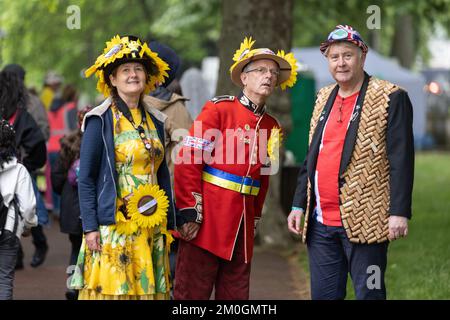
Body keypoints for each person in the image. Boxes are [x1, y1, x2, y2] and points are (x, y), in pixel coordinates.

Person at [287, 25, 414, 300]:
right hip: (320, 224)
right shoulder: (322, 97)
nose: (341, 63)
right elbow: (312, 156)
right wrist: (299, 203)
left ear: (362, 57)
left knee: (370, 294)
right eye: (334, 57)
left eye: (348, 55)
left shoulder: (391, 97)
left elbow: (401, 159)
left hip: (367, 220)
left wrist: (399, 211)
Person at [173, 37, 298, 300]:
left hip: (242, 226)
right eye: (261, 71)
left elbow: (263, 179)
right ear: (244, 77)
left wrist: (254, 220)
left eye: (274, 73)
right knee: (192, 294)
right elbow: (188, 159)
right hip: (207, 220)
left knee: (236, 296)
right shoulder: (218, 109)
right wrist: (189, 211)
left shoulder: (272, 126)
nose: (269, 77)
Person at [69, 35, 178, 300]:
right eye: (125, 70)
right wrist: (91, 227)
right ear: (112, 79)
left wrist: (172, 221)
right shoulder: (100, 119)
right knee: (117, 290)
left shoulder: (157, 120)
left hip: (152, 223)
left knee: (147, 291)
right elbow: (87, 178)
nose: (133, 74)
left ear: (147, 76)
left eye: (138, 69)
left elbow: (162, 172)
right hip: (114, 224)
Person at [143, 41, 193, 292]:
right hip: (165, 195)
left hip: (152, 197)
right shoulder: (177, 108)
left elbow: (187, 157)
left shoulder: (171, 108)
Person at [0, 70, 49, 269]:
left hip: (16, 167)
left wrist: (26, 166)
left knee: (18, 208)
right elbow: (38, 141)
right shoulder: (24, 109)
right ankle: (20, 252)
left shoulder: (23, 110)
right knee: (24, 207)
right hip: (20, 166)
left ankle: (29, 248)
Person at [50, 106, 91, 300]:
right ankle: (87, 286)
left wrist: (64, 195)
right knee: (92, 249)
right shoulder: (99, 141)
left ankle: (71, 285)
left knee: (75, 249)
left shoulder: (68, 143)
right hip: (90, 207)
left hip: (71, 207)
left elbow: (56, 177)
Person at [0, 119, 37, 300]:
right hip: (8, 228)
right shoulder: (19, 170)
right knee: (4, 279)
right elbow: (28, 206)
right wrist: (28, 226)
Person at [46, 84, 78, 217]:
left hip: (50, 147)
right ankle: (64, 210)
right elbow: (73, 128)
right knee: (66, 179)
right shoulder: (69, 108)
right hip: (64, 147)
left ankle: (55, 208)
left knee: (53, 178)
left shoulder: (50, 110)